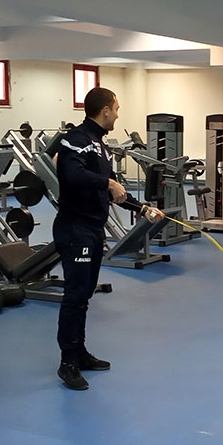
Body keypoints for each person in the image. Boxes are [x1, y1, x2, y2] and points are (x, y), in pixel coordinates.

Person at [53, 86, 164, 391]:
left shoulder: (100, 146)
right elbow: (72, 176)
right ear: (105, 110)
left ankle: (80, 352)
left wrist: (142, 208)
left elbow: (113, 191)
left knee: (85, 294)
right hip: (75, 229)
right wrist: (108, 183)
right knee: (75, 295)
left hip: (92, 228)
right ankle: (67, 362)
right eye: (116, 109)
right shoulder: (75, 140)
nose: (117, 114)